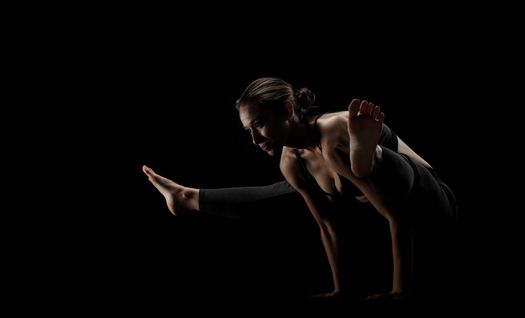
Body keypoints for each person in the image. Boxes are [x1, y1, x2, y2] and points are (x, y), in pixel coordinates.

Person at [142, 77, 458, 302]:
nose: (254, 139)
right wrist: (341, 289)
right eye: (248, 130)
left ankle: (368, 156)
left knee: (343, 149)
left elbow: (398, 215)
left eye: (260, 124)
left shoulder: (332, 132)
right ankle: (189, 198)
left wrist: (399, 292)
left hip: (431, 199)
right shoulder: (290, 162)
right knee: (281, 192)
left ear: (288, 110)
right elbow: (327, 226)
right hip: (355, 186)